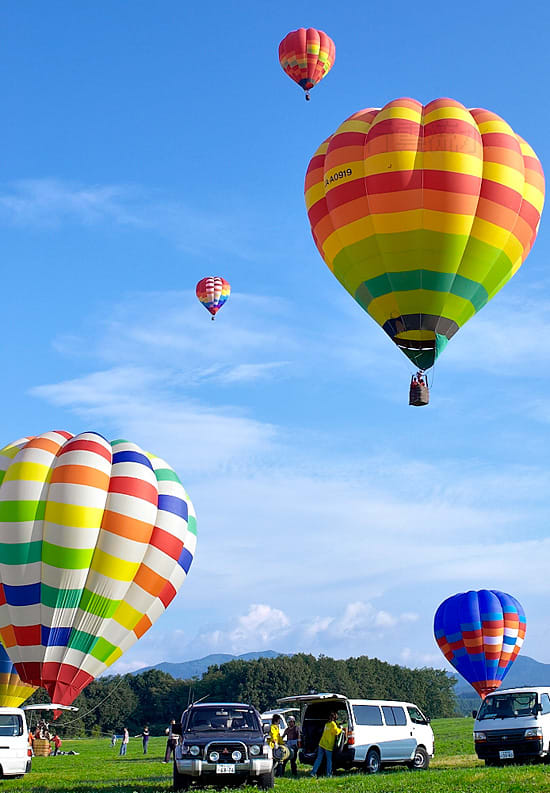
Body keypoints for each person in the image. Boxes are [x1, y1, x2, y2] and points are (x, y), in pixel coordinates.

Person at [309, 712, 342, 778]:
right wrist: (340, 729)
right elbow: (336, 732)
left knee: (319, 758)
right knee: (329, 760)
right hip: (328, 745)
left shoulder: (326, 724)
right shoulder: (333, 724)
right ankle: (328, 774)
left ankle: (313, 772)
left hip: (321, 743)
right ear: (335, 718)